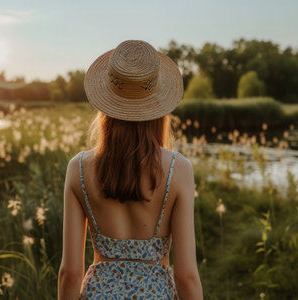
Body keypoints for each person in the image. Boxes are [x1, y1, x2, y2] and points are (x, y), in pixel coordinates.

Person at [58, 40, 203, 299]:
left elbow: (70, 273)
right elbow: (186, 276)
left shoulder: (78, 169)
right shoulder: (178, 169)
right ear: (159, 108)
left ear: (106, 107)